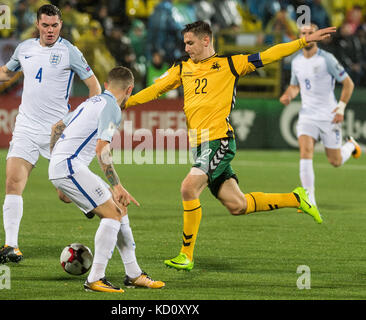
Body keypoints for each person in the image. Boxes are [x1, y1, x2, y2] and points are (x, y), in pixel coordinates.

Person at [125, 21, 337, 271]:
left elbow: (269, 55)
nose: (186, 47)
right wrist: (124, 103)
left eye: (190, 42)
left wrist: (302, 41)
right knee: (238, 205)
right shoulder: (182, 68)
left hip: (219, 140)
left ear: (206, 40)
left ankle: (186, 255)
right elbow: (155, 89)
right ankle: (297, 198)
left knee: (188, 188)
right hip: (199, 145)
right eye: (185, 43)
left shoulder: (229, 64)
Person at [0, 4, 102, 264]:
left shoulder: (70, 52)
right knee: (12, 182)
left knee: (65, 195)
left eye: (54, 26)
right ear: (37, 25)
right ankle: (12, 246)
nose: (50, 30)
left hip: (56, 131)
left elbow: (95, 88)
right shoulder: (25, 48)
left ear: (60, 25)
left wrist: (74, 119)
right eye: (45, 25)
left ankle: (95, 204)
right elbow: (6, 72)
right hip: (26, 127)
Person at [48, 66, 165, 292]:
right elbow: (102, 148)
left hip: (65, 166)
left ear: (106, 84)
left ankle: (133, 273)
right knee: (112, 213)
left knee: (120, 207)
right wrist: (117, 185)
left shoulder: (91, 102)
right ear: (130, 89)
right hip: (70, 166)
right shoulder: (112, 107)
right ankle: (95, 279)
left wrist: (57, 173)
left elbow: (56, 128)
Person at [279, 24, 361, 208]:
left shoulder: (327, 59)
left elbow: (348, 84)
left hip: (328, 115)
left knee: (335, 161)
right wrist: (288, 95)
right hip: (307, 115)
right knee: (305, 152)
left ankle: (350, 146)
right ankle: (310, 200)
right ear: (299, 36)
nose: (307, 36)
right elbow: (295, 85)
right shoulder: (296, 61)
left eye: (310, 33)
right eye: (303, 33)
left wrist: (340, 109)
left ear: (317, 36)